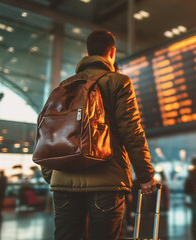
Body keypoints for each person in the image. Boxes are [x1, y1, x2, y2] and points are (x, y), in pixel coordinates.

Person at [40, 30, 156, 240]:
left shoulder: (65, 85)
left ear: (88, 52)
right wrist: (145, 175)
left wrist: (53, 175)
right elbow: (131, 130)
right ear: (111, 52)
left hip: (64, 182)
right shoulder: (119, 82)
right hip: (107, 182)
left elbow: (47, 131)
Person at [184, 158, 196, 232]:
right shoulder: (195, 171)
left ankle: (195, 223)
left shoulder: (193, 171)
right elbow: (194, 182)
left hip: (195, 192)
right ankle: (195, 224)